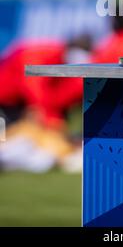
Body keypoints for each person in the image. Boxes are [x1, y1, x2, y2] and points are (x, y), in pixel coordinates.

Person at [0, 35, 92, 172]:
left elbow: (60, 95)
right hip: (7, 101)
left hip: (22, 102)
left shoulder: (64, 62)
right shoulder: (40, 54)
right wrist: (50, 117)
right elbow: (33, 87)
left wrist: (54, 116)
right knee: (10, 136)